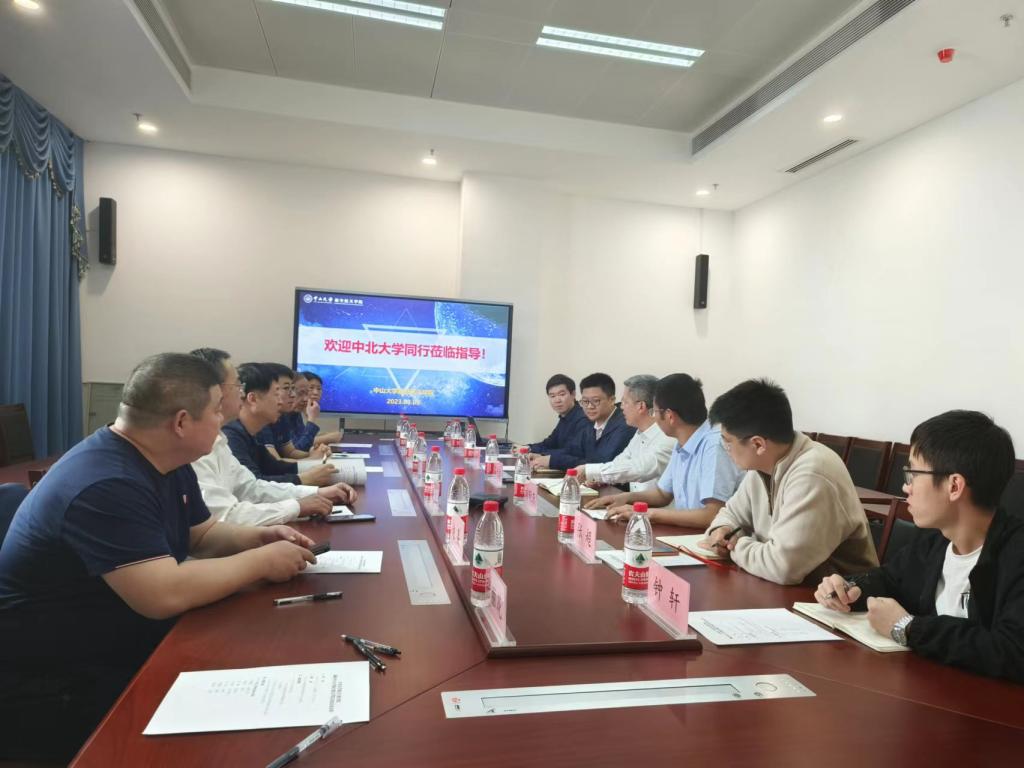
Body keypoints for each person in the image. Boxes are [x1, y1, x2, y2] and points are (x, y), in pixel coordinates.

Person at [0, 353, 320, 762]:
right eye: (215, 411)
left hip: (119, 640)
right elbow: (163, 594)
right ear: (182, 422)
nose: (223, 420)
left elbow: (202, 535)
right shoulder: (106, 481)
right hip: (58, 678)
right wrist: (261, 562)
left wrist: (258, 538)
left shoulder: (167, 459)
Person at [815, 410, 1024, 681]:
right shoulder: (935, 541)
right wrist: (848, 588)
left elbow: (1012, 652)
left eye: (913, 474)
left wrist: (907, 628)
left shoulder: (1016, 555)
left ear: (954, 486)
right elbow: (889, 580)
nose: (906, 487)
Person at [700, 378, 877, 585]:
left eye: (727, 443)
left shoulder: (813, 473)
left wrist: (735, 545)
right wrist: (721, 531)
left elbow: (782, 567)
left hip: (837, 597)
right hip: (785, 589)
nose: (726, 450)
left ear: (758, 444)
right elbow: (730, 514)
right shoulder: (763, 466)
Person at [189, 349, 357, 525]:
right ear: (215, 392)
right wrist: (298, 505)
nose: (283, 399)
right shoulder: (209, 442)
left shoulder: (220, 439)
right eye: (238, 386)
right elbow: (223, 517)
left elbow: (251, 488)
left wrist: (316, 493)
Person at [585, 373, 742, 526]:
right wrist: (625, 498)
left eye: (654, 411)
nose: (653, 417)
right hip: (685, 534)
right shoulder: (682, 441)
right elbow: (662, 494)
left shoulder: (714, 445)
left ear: (670, 416)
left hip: (708, 537)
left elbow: (712, 514)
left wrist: (648, 514)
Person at [223, 363, 336, 486]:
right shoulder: (231, 434)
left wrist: (316, 465)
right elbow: (253, 486)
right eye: (277, 393)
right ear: (253, 399)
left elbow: (274, 466)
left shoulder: (249, 432)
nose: (281, 401)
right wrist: (304, 478)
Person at [572, 374, 675, 492]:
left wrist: (589, 470)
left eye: (625, 402)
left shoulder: (667, 437)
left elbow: (639, 469)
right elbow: (621, 462)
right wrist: (598, 479)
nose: (621, 407)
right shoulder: (640, 432)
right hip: (634, 501)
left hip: (652, 503)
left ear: (641, 406)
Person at [534, 373, 635, 471]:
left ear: (611, 400)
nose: (589, 407)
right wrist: (542, 456)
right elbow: (572, 450)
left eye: (596, 401)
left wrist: (553, 461)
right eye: (585, 401)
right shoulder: (591, 423)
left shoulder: (625, 424)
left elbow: (601, 464)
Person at [257, 364, 329, 460]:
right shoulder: (261, 418)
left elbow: (291, 452)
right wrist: (311, 419)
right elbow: (274, 463)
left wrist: (314, 454)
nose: (292, 395)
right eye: (287, 388)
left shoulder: (283, 416)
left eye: (292, 389)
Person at [524, 374, 589, 467]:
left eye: (562, 394)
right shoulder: (565, 417)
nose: (557, 400)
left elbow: (571, 452)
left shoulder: (583, 419)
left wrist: (543, 455)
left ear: (573, 394)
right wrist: (527, 448)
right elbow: (549, 443)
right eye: (552, 396)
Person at [302, 371, 343, 447]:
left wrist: (324, 436)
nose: (315, 392)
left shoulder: (310, 410)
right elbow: (298, 444)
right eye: (311, 388)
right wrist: (328, 438)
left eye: (319, 389)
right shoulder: (293, 411)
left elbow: (303, 437)